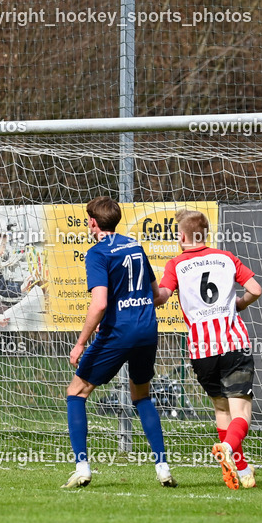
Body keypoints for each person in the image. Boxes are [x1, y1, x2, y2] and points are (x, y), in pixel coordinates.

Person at [64, 196, 176, 489]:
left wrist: (80, 343)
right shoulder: (135, 246)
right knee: (142, 396)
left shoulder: (97, 253)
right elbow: (156, 295)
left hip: (119, 332)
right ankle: (163, 468)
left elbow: (100, 303)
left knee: (76, 392)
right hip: (147, 331)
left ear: (92, 222)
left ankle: (82, 468)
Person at [154, 210, 262, 489]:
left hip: (202, 350)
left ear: (182, 236)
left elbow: (162, 296)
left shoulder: (176, 264)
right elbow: (255, 289)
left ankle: (241, 469)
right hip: (233, 344)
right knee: (241, 412)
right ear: (206, 234)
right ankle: (229, 448)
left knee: (221, 408)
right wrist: (239, 304)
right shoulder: (226, 258)